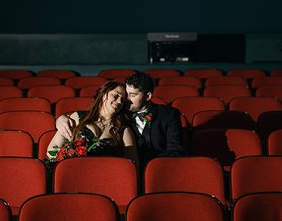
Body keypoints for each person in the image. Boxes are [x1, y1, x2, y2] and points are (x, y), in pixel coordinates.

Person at [55, 71, 185, 167]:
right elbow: (92, 116)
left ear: (148, 96)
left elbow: (175, 151)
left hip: (161, 170)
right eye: (125, 95)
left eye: (132, 95)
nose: (126, 100)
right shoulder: (119, 112)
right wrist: (61, 118)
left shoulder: (168, 114)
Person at [45, 79, 138, 171]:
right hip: (73, 172)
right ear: (104, 95)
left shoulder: (123, 129)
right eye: (115, 95)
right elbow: (51, 150)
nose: (119, 101)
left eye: (122, 99)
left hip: (104, 177)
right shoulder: (77, 118)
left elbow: (132, 165)